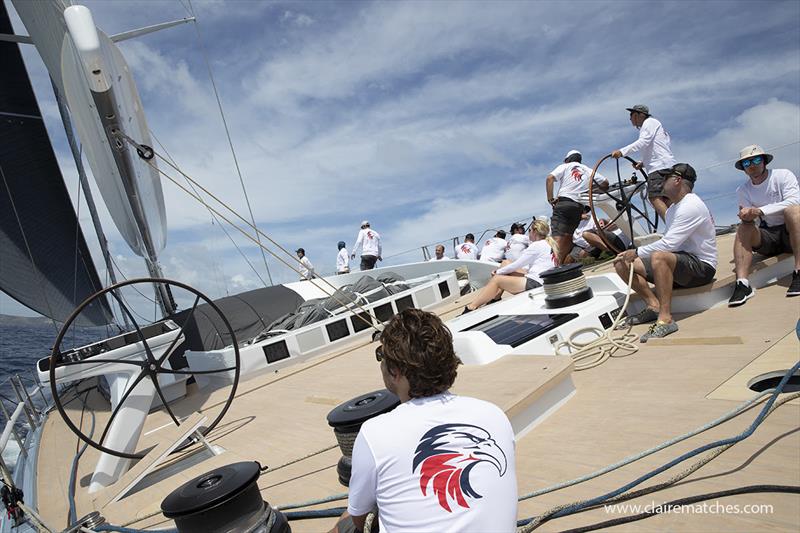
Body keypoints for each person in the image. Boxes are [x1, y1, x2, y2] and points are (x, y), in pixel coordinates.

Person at [343, 309, 517, 533]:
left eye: (381, 356)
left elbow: (360, 520)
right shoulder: (493, 414)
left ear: (395, 371)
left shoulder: (374, 433)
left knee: (345, 525)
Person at [613, 164, 717, 342]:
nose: (661, 181)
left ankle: (666, 319)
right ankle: (653, 306)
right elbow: (670, 244)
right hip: (681, 265)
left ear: (677, 180)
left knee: (659, 256)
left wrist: (636, 251)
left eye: (665, 178)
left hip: (702, 269)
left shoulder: (691, 205)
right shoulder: (673, 210)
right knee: (621, 262)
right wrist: (630, 255)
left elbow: (669, 244)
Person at [728, 145, 800, 305]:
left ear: (764, 161)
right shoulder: (742, 190)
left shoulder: (783, 175)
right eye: (746, 163)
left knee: (794, 211)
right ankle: (742, 284)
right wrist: (746, 216)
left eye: (756, 159)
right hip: (768, 237)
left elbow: (795, 200)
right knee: (744, 226)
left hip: (790, 231)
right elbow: (749, 219)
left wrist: (759, 211)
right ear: (743, 169)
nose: (752, 165)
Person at [463, 219, 557, 312]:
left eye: (530, 230)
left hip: (536, 284)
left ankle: (471, 307)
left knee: (497, 279)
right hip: (542, 280)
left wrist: (498, 272)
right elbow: (527, 266)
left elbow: (518, 264)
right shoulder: (547, 243)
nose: (528, 233)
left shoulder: (536, 245)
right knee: (506, 263)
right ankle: (496, 297)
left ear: (535, 231)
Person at [611, 105, 676, 221]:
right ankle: (679, 225)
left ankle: (673, 228)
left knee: (654, 197)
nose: (630, 119)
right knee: (667, 199)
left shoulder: (649, 123)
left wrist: (622, 152)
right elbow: (658, 148)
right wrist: (643, 163)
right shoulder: (654, 125)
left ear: (637, 115)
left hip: (658, 168)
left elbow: (643, 142)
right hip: (666, 165)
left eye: (631, 116)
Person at [546, 149, 609, 265]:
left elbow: (550, 179)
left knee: (557, 237)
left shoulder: (565, 166)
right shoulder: (587, 169)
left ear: (567, 160)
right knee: (568, 236)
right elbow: (605, 184)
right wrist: (589, 190)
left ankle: (551, 267)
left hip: (564, 203)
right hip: (578, 207)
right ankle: (559, 266)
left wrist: (550, 199)